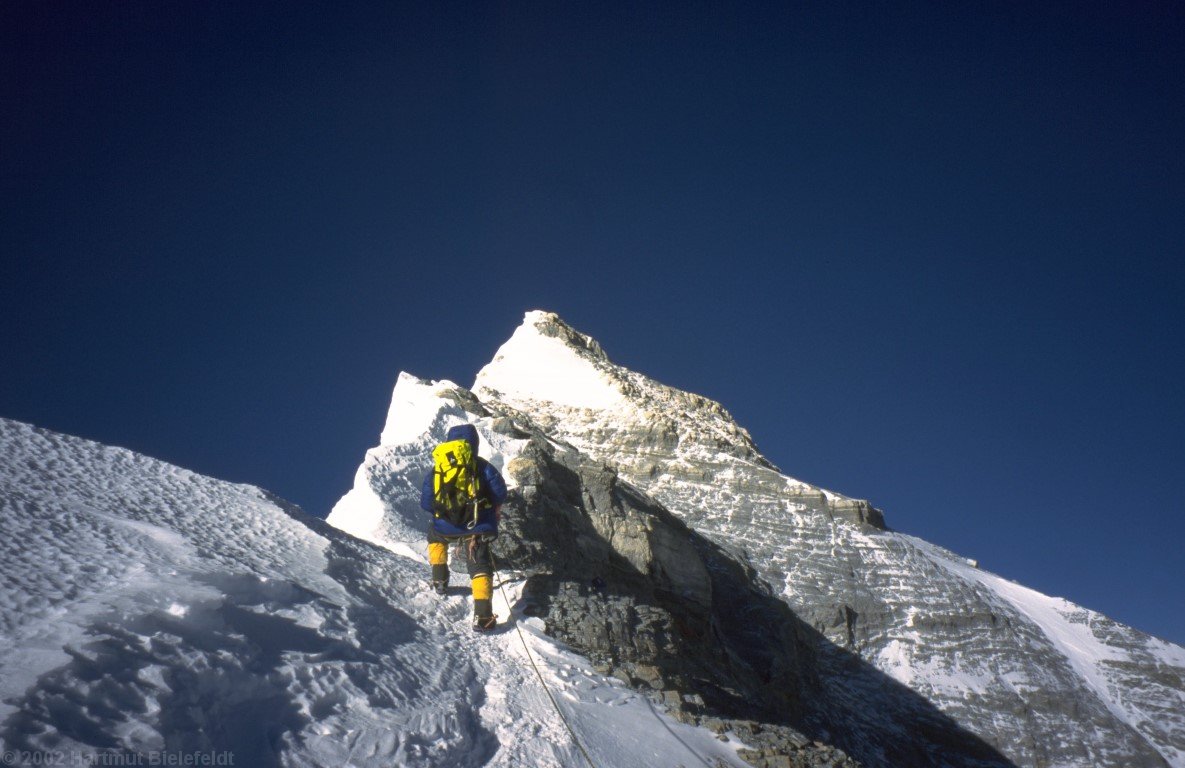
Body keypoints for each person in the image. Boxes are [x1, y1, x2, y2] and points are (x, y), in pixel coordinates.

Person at [420, 424, 507, 631]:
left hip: (445, 526)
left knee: (435, 535)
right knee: (479, 565)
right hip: (477, 526)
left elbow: (425, 503)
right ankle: (483, 618)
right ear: (474, 444)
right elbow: (500, 492)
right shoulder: (481, 465)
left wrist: (446, 514)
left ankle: (439, 580)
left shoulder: (438, 468)